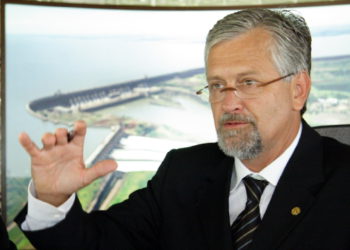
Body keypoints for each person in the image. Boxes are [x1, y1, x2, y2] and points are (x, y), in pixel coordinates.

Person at [15, 8, 350, 250]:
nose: (228, 103)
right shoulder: (183, 171)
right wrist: (52, 196)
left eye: (248, 82)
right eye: (217, 85)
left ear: (298, 90)